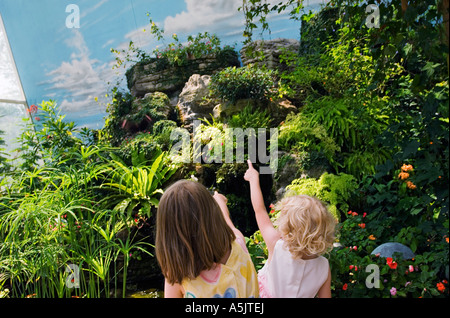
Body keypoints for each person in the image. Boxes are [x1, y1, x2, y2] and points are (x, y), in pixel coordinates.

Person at [244, 160, 336, 298]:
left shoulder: (276, 245)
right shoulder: (323, 266)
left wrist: (253, 178)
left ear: (288, 227)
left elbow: (260, 210)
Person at [155, 179, 259, 298]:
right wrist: (220, 203)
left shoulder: (178, 278)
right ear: (214, 216)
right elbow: (227, 222)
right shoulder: (239, 243)